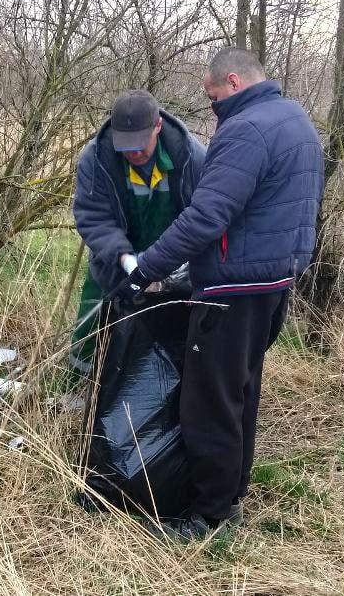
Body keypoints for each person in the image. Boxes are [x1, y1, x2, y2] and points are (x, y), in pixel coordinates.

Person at [117, 48, 324, 539]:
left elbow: (206, 217)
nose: (212, 108)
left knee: (208, 401)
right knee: (240, 391)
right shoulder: (294, 119)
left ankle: (208, 517)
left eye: (213, 97)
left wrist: (147, 267)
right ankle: (231, 495)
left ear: (232, 81)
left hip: (232, 290)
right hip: (274, 283)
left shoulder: (246, 130)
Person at [70, 90, 206, 373]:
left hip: (173, 268)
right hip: (113, 263)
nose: (133, 153)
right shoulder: (96, 159)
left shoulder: (190, 156)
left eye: (140, 145)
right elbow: (94, 218)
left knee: (161, 339)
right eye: (126, 146)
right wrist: (125, 259)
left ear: (157, 126)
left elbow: (204, 216)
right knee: (91, 329)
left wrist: (178, 268)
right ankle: (77, 395)